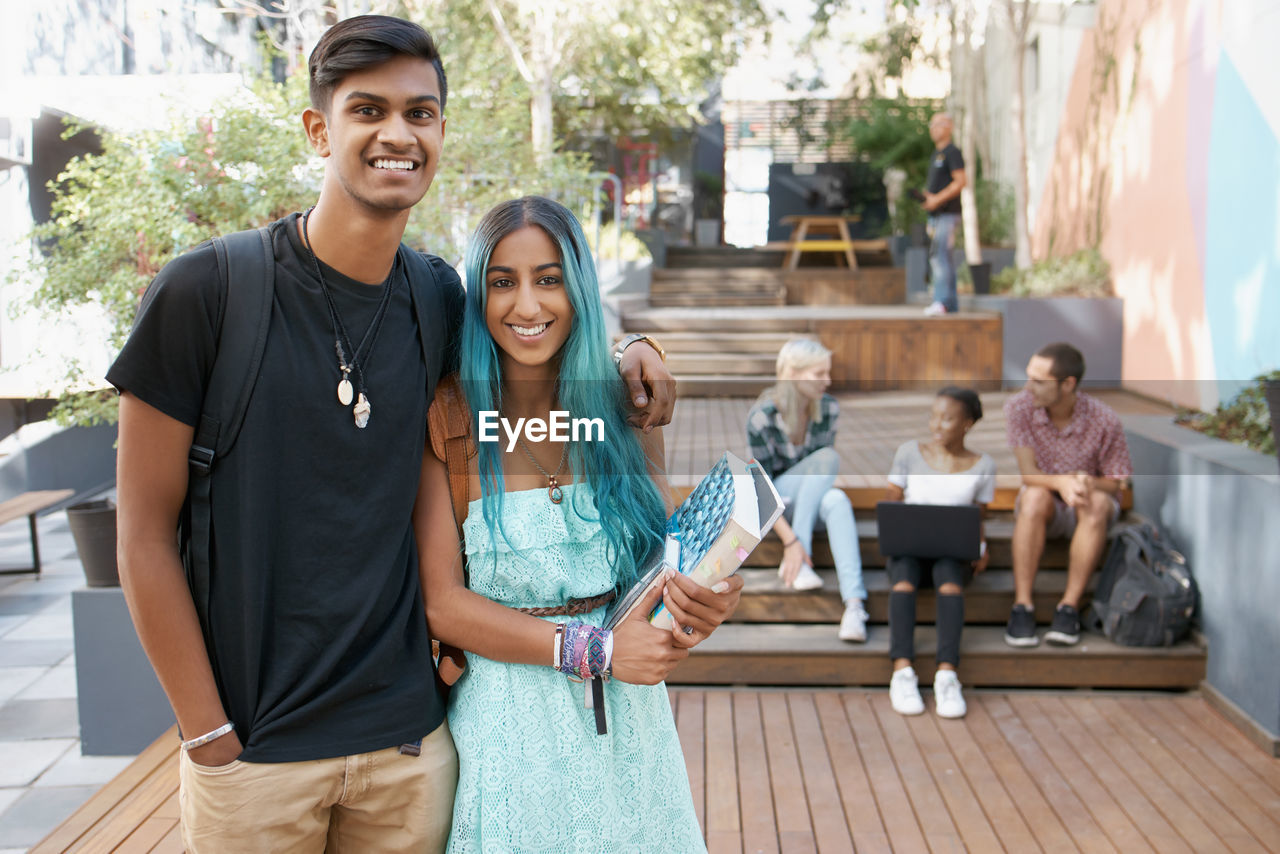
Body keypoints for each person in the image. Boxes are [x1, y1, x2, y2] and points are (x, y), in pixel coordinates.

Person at [107, 17, 674, 853]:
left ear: (441, 130)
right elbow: (141, 533)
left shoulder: (436, 297)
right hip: (257, 758)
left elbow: (530, 339)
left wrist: (630, 350)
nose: (397, 133)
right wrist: (206, 735)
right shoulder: (206, 292)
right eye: (367, 109)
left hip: (410, 748)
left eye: (420, 111)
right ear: (318, 128)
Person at [414, 196, 741, 853]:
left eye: (550, 278)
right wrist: (598, 652)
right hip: (510, 730)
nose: (527, 306)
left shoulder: (623, 408)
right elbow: (442, 603)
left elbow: (656, 566)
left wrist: (701, 599)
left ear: (580, 289)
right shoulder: (448, 417)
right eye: (502, 282)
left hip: (631, 731)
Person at [1003, 341, 1132, 648]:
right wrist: (1062, 482)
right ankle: (1022, 606)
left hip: (1086, 508)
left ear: (1068, 384)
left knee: (1098, 503)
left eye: (1038, 381)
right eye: (1028, 377)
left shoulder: (1105, 419)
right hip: (1044, 502)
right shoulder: (1019, 408)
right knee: (1034, 495)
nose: (1028, 387)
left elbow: (1115, 483)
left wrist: (1086, 482)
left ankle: (1069, 608)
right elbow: (1028, 473)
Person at [883, 387, 995, 719]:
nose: (937, 424)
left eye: (947, 418)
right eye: (934, 416)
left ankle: (947, 674)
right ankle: (902, 671)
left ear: (968, 423)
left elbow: (979, 514)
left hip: (952, 552)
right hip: (909, 547)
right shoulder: (908, 452)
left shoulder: (983, 464)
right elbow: (892, 502)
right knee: (903, 582)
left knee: (949, 583)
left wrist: (982, 546)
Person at [745, 338, 868, 642]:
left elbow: (819, 474)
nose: (828, 381)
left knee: (837, 499)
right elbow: (761, 488)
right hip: (778, 499)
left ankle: (854, 605)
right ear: (794, 373)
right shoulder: (762, 416)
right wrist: (791, 541)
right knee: (828, 458)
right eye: (819, 374)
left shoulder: (828, 409)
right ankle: (804, 554)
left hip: (808, 498)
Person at [921, 112, 967, 316]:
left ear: (949, 126)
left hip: (948, 214)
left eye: (939, 124)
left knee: (940, 258)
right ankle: (950, 304)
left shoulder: (952, 152)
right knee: (941, 257)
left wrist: (937, 199)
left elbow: (960, 181)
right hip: (936, 215)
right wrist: (928, 200)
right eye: (932, 125)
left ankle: (943, 302)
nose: (934, 128)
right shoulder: (936, 154)